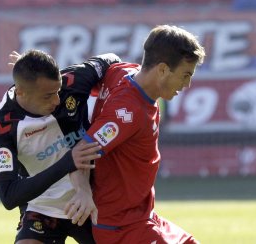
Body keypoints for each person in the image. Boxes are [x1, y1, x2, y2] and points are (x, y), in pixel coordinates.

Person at [73, 25, 206, 243]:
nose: (187, 84)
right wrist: (83, 192)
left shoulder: (123, 72)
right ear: (162, 69)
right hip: (123, 227)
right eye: (185, 75)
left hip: (144, 216)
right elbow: (81, 151)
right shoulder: (127, 113)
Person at [0, 49, 121, 244]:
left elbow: (111, 59)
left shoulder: (73, 81)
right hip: (41, 208)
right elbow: (9, 196)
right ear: (21, 92)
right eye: (48, 96)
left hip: (91, 200)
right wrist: (68, 162)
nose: (57, 100)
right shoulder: (3, 125)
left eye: (58, 92)